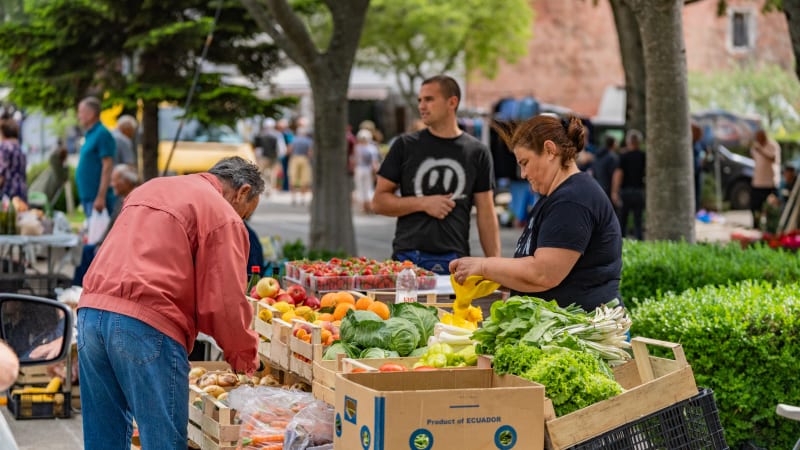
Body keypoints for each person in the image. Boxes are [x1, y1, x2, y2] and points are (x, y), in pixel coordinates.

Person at [76, 157, 264, 449]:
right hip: (146, 323)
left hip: (90, 314)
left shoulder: (149, 188)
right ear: (243, 192)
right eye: (246, 214)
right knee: (163, 441)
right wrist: (244, 356)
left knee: (104, 438)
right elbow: (225, 301)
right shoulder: (221, 212)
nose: (242, 220)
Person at [449, 115, 622, 311]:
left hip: (583, 326)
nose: (523, 174)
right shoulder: (556, 196)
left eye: (525, 163)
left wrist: (484, 267)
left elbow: (543, 274)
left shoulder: (572, 200)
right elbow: (532, 271)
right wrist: (489, 276)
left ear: (549, 150)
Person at [372, 75, 501, 274]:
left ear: (452, 102)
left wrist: (496, 268)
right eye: (420, 100)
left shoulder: (477, 152)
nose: (422, 106)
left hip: (454, 261)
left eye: (429, 99)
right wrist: (423, 203)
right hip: (408, 259)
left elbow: (486, 212)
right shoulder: (405, 145)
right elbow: (379, 202)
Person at [72, 164, 140, 286]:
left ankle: (81, 288)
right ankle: (79, 288)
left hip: (122, 250)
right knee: (85, 251)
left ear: (127, 182)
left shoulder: (135, 201)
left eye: (114, 181)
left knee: (89, 254)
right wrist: (100, 243)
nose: (111, 184)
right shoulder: (121, 200)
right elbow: (111, 227)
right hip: (112, 246)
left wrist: (105, 246)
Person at [76, 96, 116, 217]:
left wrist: (101, 197)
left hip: (97, 198)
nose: (79, 116)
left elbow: (107, 165)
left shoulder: (102, 133)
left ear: (91, 114)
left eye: (81, 112)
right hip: (89, 196)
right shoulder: (90, 134)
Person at [611, 129, 646, 240]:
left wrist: (614, 192)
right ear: (639, 142)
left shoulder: (623, 156)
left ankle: (622, 243)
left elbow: (618, 174)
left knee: (622, 221)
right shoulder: (643, 156)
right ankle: (640, 242)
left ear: (628, 141)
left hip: (625, 192)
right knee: (638, 221)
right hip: (639, 192)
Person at [750, 129, 780, 228]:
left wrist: (761, 150)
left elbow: (773, 158)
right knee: (755, 207)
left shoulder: (773, 145)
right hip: (757, 182)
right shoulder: (755, 147)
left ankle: (771, 227)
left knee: (771, 208)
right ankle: (756, 226)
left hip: (770, 183)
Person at [253, 118, 287, 195]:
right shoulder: (277, 134)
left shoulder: (261, 134)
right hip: (273, 157)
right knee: (271, 173)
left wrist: (257, 157)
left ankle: (264, 189)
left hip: (263, 157)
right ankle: (269, 189)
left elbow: (258, 149)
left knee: (262, 173)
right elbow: (281, 148)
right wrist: (280, 156)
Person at [353, 129, 380, 214]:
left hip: (363, 169)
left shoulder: (358, 147)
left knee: (364, 188)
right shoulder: (371, 148)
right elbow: (374, 162)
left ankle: (365, 207)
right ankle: (366, 207)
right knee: (366, 188)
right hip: (365, 169)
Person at [0, 118, 27, 202]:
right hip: (22, 192)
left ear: (3, 133)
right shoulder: (20, 148)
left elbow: (1, 174)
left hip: (8, 193)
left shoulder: (4, 148)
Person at [288, 127, 313, 206]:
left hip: (295, 158)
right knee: (304, 179)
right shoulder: (309, 141)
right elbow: (310, 152)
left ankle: (293, 198)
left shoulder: (294, 139)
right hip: (304, 159)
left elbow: (290, 150)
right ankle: (303, 198)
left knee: (292, 178)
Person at [591, 135, 619, 200]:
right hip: (609, 190)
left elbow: (593, 172)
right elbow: (615, 175)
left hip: (598, 188)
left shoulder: (597, 156)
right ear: (613, 144)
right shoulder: (613, 157)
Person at [691, 124, 707, 212]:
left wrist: (703, 161)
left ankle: (696, 210)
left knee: (697, 192)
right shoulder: (689, 142)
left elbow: (707, 152)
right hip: (690, 173)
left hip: (698, 171)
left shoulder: (700, 142)